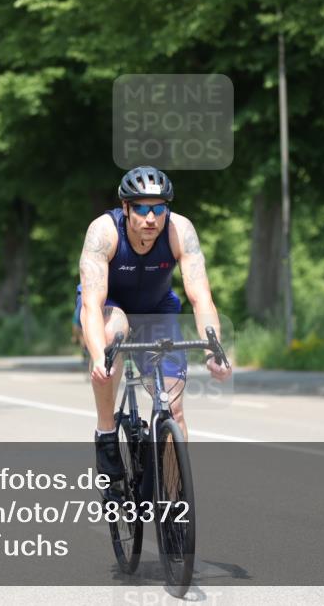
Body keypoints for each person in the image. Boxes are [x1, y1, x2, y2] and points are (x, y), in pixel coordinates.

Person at [77, 166, 231, 494]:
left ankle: (175, 498)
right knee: (110, 337)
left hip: (157, 308)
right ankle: (106, 434)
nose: (152, 218)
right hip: (111, 305)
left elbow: (200, 295)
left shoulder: (180, 231)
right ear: (126, 208)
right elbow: (92, 303)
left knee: (173, 407)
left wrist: (213, 349)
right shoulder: (103, 232)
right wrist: (98, 358)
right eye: (143, 208)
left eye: (159, 208)